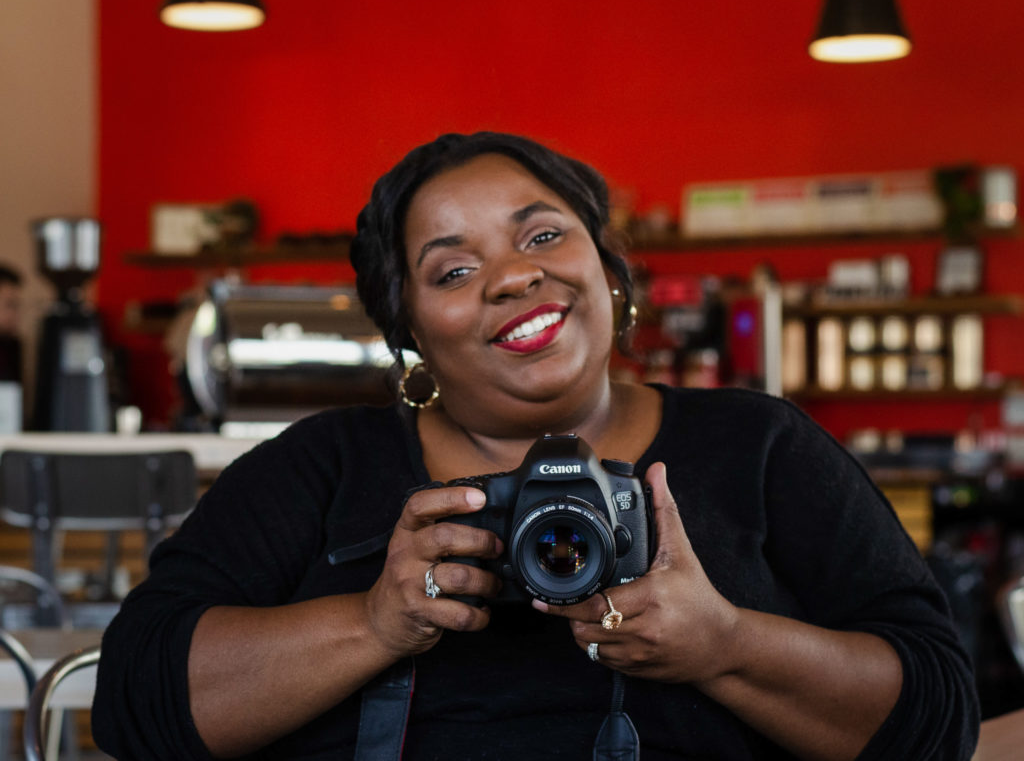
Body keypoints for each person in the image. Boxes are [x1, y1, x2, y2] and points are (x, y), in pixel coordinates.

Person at [92, 132, 979, 760]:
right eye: (453, 268)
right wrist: (373, 621)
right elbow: (136, 706)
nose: (516, 275)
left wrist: (730, 644)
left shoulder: (759, 445)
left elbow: (938, 718)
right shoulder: (320, 466)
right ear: (409, 335)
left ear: (610, 269)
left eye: (544, 234)